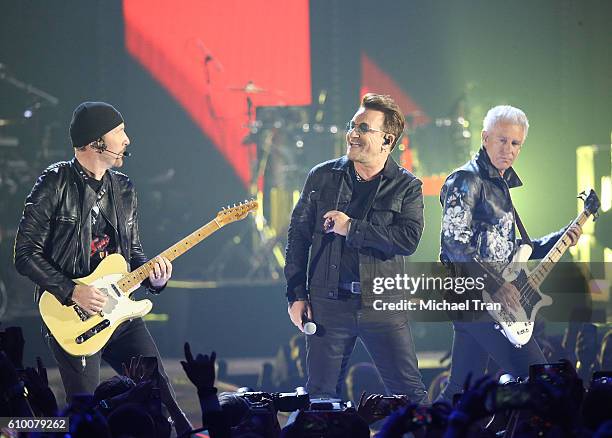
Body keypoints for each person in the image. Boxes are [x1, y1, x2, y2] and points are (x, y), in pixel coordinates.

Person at [14, 101, 191, 434]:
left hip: (120, 310)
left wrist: (155, 278)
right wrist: (71, 291)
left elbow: (133, 251)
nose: (127, 139)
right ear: (97, 142)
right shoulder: (55, 184)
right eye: (120, 132)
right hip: (73, 315)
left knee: (160, 392)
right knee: (86, 413)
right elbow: (24, 253)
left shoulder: (123, 188)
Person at [284, 93, 428, 403]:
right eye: (352, 125)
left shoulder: (407, 186)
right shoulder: (322, 177)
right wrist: (296, 294)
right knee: (321, 400)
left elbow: (408, 239)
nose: (352, 134)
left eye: (363, 128)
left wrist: (352, 228)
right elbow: (297, 237)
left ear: (386, 140)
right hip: (329, 305)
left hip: (382, 306)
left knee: (411, 398)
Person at [437, 104, 582, 402]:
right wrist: (497, 285)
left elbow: (512, 249)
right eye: (502, 140)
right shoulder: (466, 180)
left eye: (516, 143)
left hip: (484, 304)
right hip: (477, 300)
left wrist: (561, 238)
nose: (509, 149)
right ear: (485, 138)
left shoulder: (499, 184)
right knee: (539, 380)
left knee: (460, 393)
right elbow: (454, 244)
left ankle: (419, 429)